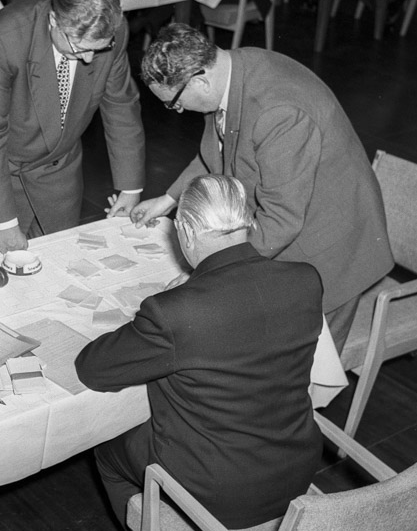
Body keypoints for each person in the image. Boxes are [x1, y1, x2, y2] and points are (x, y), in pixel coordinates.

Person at [76, 174, 324, 531]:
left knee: (107, 450)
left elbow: (93, 369)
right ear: (246, 221)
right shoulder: (306, 279)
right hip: (296, 468)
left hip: (217, 493)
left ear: (187, 232)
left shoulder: (176, 313)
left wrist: (169, 304)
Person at [130, 24, 393, 352]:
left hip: (328, 253)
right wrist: (168, 200)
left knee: (298, 376)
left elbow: (281, 220)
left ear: (199, 80)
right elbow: (221, 151)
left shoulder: (278, 112)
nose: (177, 112)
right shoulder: (231, 71)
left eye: (174, 104)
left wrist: (211, 273)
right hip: (291, 227)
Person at [0, 0, 145, 253]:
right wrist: (4, 223)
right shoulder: (5, 36)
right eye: (78, 48)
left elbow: (121, 105)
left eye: (98, 49)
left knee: (59, 258)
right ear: (53, 20)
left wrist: (130, 188)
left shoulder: (110, 32)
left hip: (57, 165)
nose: (89, 59)